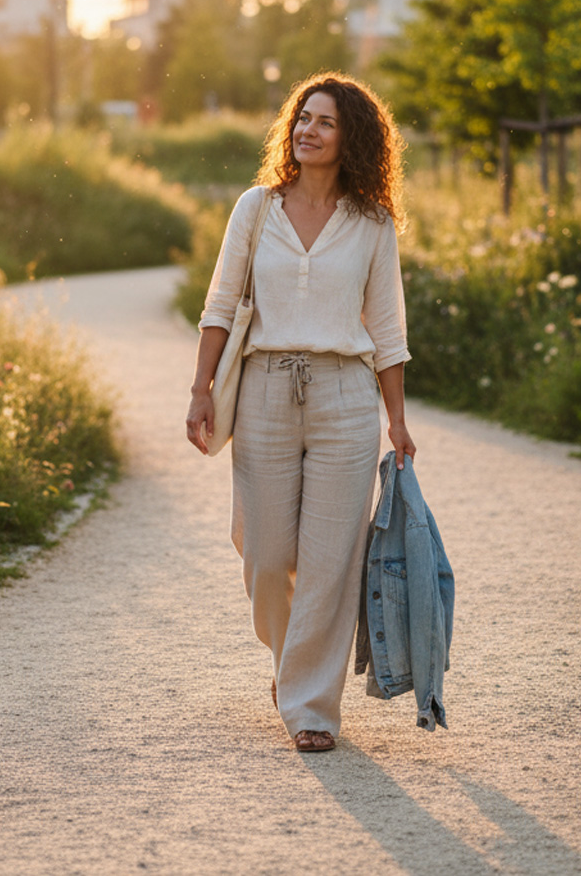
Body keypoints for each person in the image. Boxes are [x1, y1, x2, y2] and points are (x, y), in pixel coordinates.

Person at [185, 72, 414, 753]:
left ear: (353, 139)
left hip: (346, 396)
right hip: (264, 390)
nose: (307, 130)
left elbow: (390, 331)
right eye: (302, 118)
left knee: (328, 559)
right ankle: (291, 668)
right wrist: (200, 387)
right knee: (266, 554)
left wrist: (397, 421)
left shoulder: (373, 224)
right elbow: (220, 305)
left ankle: (311, 705)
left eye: (325, 122)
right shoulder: (256, 209)